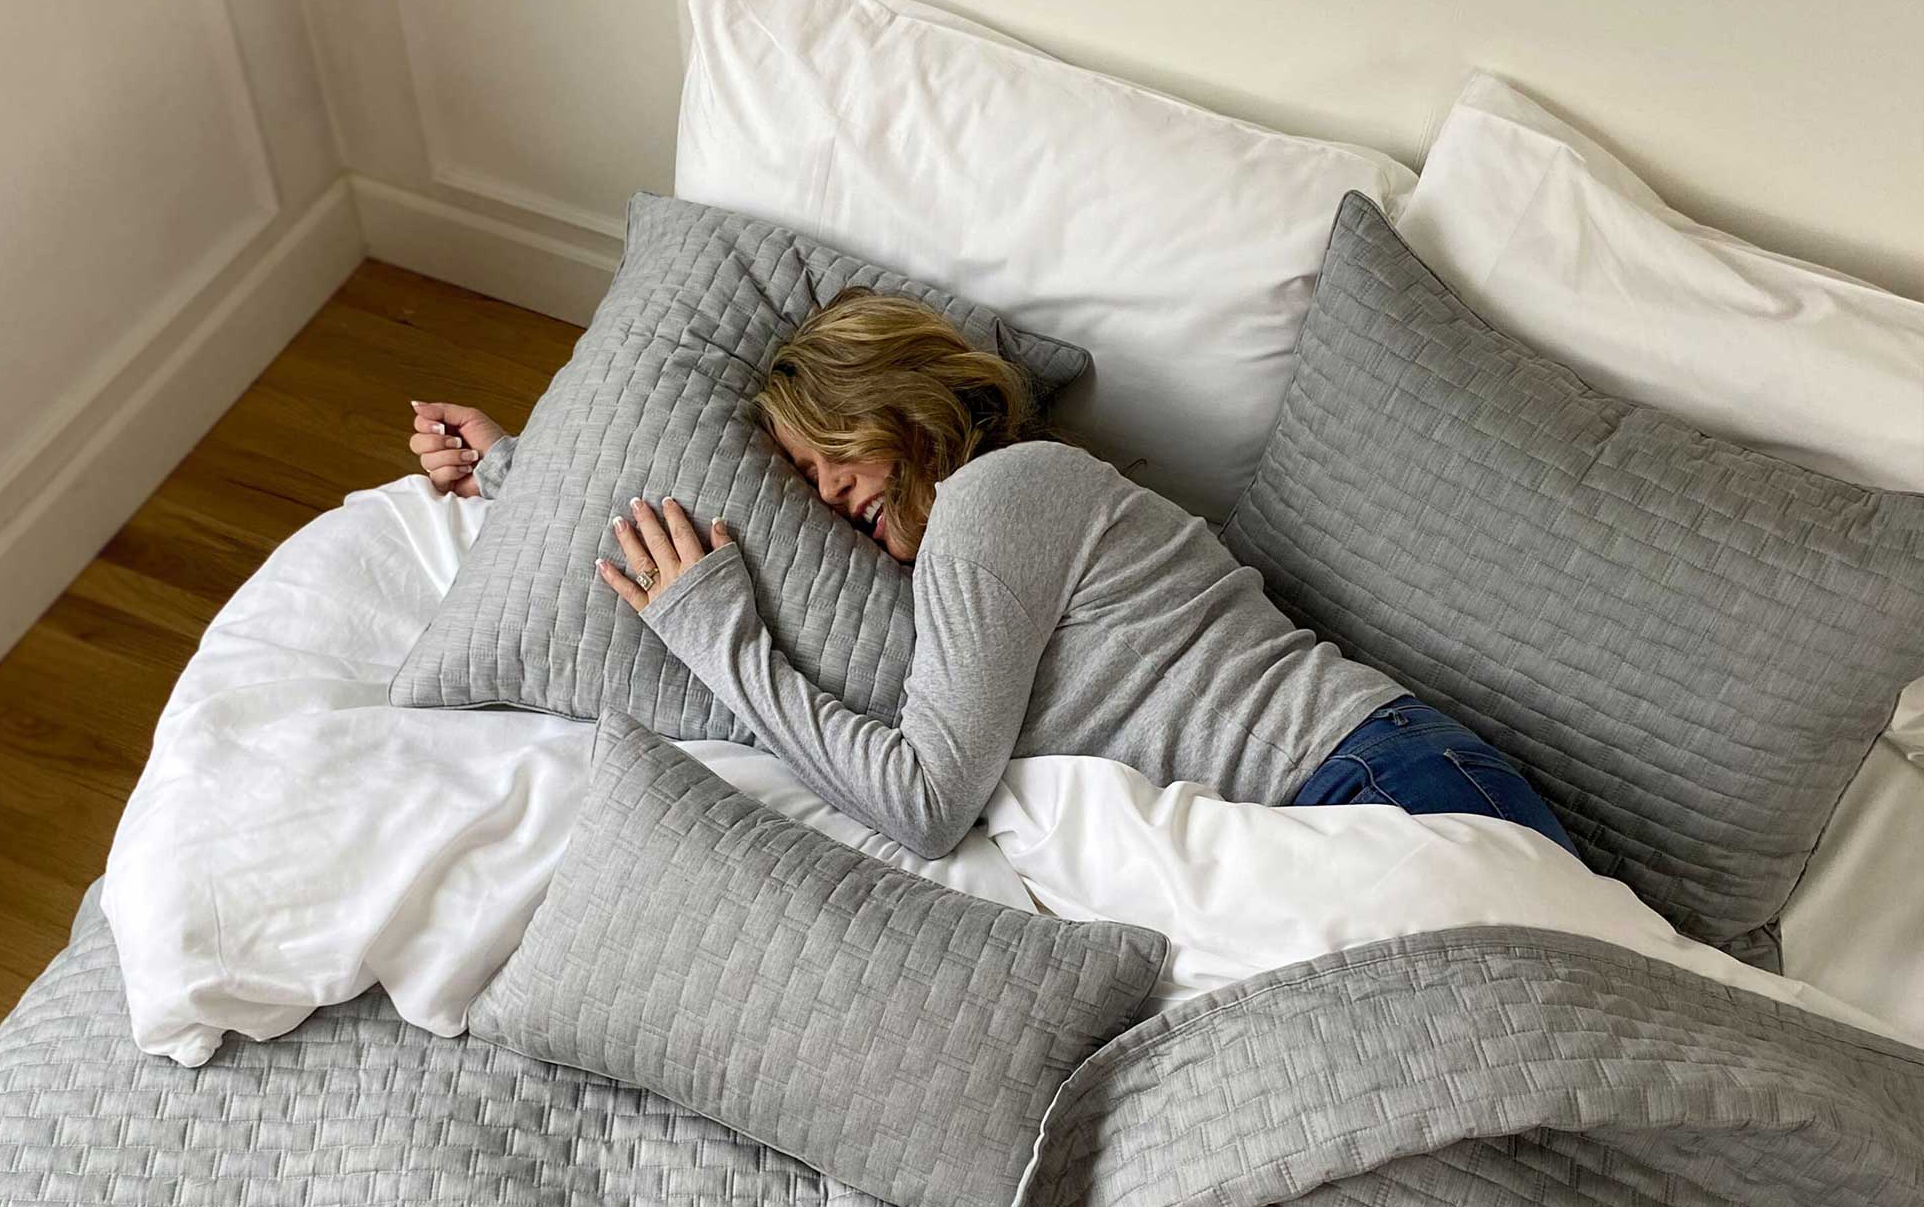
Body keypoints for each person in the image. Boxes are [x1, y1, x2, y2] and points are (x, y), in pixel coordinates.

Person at [410, 290, 1580, 863]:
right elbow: (823, 604)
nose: (820, 502)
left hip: (1370, 785)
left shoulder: (998, 497)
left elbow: (924, 802)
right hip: (1339, 808)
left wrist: (722, 642)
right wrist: (517, 475)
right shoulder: (974, 539)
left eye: (827, 459)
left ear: (892, 407)